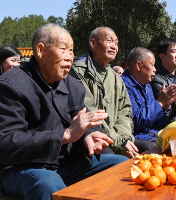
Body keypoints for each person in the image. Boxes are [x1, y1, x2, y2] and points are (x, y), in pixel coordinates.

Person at [0, 24, 128, 200]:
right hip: (20, 168)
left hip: (65, 163)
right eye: (64, 49)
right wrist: (63, 136)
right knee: (48, 184)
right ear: (40, 50)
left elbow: (81, 119)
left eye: (72, 50)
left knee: (121, 166)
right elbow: (5, 143)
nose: (70, 57)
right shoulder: (11, 85)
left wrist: (88, 135)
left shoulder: (73, 85)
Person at [69, 26, 156, 156]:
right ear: (93, 43)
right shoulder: (79, 71)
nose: (114, 46)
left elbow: (124, 112)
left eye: (116, 43)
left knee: (154, 150)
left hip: (117, 138)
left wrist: (125, 139)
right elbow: (91, 113)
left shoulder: (115, 77)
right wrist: (120, 143)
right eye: (109, 41)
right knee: (117, 163)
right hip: (91, 136)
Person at [121, 47, 176, 142]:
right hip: (134, 137)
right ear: (139, 65)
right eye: (152, 65)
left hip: (152, 133)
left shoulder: (147, 85)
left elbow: (156, 122)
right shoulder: (123, 85)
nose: (155, 69)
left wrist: (165, 107)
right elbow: (134, 122)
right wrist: (159, 103)